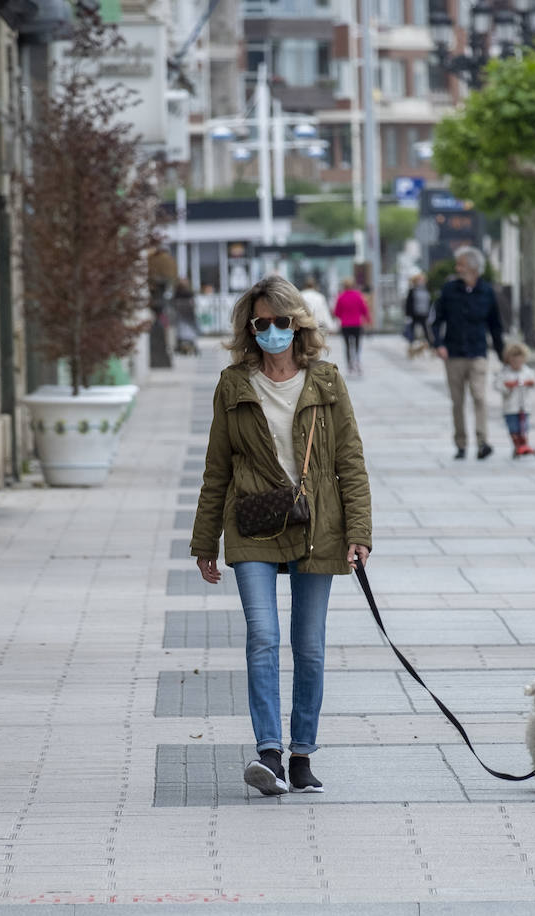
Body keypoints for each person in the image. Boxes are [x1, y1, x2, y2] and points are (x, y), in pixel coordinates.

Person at [191, 276, 373, 797]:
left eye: (282, 322)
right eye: (262, 323)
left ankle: (301, 755)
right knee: (263, 637)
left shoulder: (328, 381)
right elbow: (216, 467)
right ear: (251, 329)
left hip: (319, 526)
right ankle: (268, 752)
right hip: (251, 522)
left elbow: (350, 463)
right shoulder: (233, 384)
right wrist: (205, 542)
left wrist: (358, 531)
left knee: (309, 646)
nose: (273, 332)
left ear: (300, 325)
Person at [431, 246, 505, 459]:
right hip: (453, 353)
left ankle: (483, 442)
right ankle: (461, 443)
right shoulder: (449, 290)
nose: (457, 268)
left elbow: (495, 325)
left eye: (461, 264)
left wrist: (502, 355)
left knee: (480, 397)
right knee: (457, 401)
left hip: (477, 352)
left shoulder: (487, 291)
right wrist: (438, 344)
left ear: (473, 268)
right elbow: (436, 320)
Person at [497, 341, 535, 458]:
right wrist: (507, 387)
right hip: (510, 407)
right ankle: (517, 447)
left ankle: (524, 445)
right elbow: (498, 385)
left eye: (520, 361)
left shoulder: (528, 372)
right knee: (513, 429)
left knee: (524, 428)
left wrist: (531, 383)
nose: (517, 364)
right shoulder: (505, 373)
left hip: (524, 407)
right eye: (514, 361)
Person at [332, 277, 371, 376]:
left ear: (344, 286)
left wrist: (343, 316)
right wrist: (368, 319)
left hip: (345, 325)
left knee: (348, 346)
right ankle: (357, 361)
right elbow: (364, 309)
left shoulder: (341, 297)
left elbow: (336, 312)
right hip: (357, 324)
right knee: (357, 344)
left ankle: (350, 365)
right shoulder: (358, 296)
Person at [403, 272, 433, 356]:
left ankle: (431, 346)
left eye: (422, 280)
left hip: (424, 313)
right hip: (414, 314)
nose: (421, 281)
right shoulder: (412, 291)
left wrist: (429, 312)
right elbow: (408, 303)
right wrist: (408, 314)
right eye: (420, 280)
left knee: (426, 330)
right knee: (412, 330)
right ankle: (411, 345)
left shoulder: (426, 290)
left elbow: (429, 302)